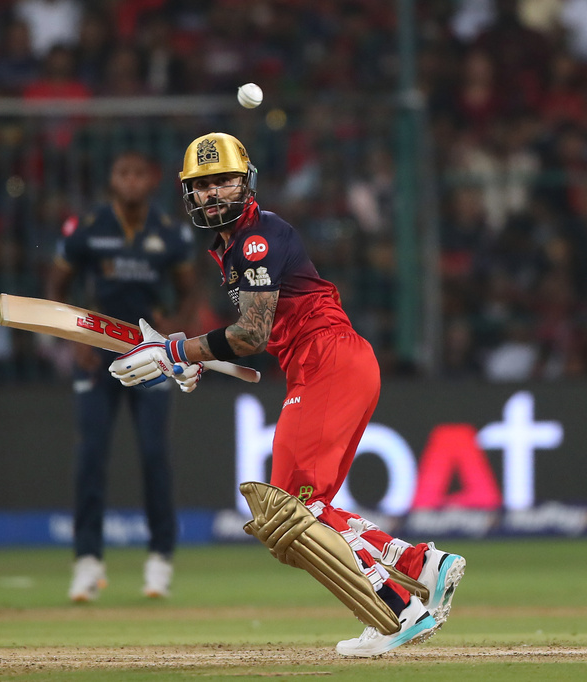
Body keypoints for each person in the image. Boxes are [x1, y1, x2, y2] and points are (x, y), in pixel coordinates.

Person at [108, 132, 466, 657]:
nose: (212, 194)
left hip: (330, 363)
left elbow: (250, 334)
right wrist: (193, 361)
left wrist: (180, 352)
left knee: (291, 511)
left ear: (246, 181)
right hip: (327, 366)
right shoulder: (232, 246)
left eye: (222, 181)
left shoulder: (258, 237)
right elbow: (257, 334)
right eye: (201, 186)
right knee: (301, 511)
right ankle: (418, 569)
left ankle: (398, 607)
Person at [47, 150, 197, 602]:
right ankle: (87, 563)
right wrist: (74, 339)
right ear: (112, 180)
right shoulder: (88, 228)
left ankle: (159, 561)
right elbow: (57, 287)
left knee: (154, 454)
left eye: (138, 173)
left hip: (149, 354)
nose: (130, 181)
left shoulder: (169, 234)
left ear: (150, 181)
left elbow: (190, 293)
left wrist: (174, 338)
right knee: (90, 455)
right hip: (97, 354)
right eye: (122, 173)